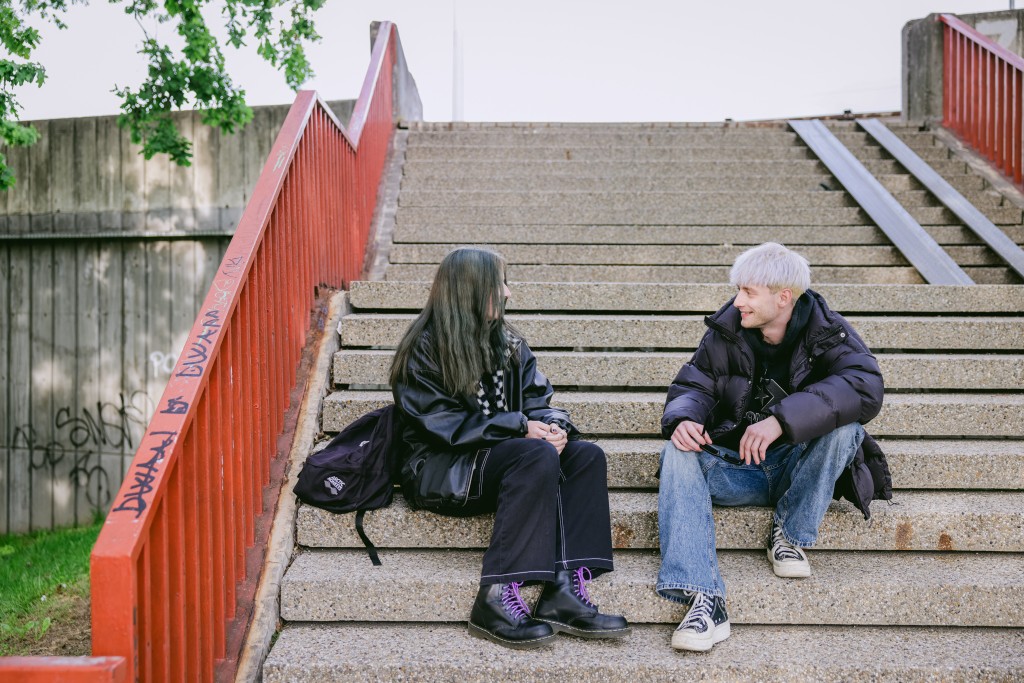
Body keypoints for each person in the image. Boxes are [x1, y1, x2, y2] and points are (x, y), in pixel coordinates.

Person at [390, 247, 630, 650]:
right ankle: (496, 597)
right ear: (469, 290)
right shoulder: (424, 349)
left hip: (509, 464)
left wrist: (554, 426)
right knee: (532, 452)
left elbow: (540, 400)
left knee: (586, 456)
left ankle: (562, 592)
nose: (507, 293)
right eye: (498, 284)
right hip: (445, 471)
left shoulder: (509, 344)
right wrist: (519, 425)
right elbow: (442, 428)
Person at [657, 242, 890, 652]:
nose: (738, 301)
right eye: (738, 291)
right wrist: (684, 419)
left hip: (793, 469)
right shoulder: (726, 331)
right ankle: (704, 598)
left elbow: (864, 386)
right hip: (736, 469)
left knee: (845, 429)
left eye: (748, 292)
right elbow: (694, 385)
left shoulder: (828, 332)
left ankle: (789, 532)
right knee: (677, 450)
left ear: (783, 297)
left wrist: (781, 420)